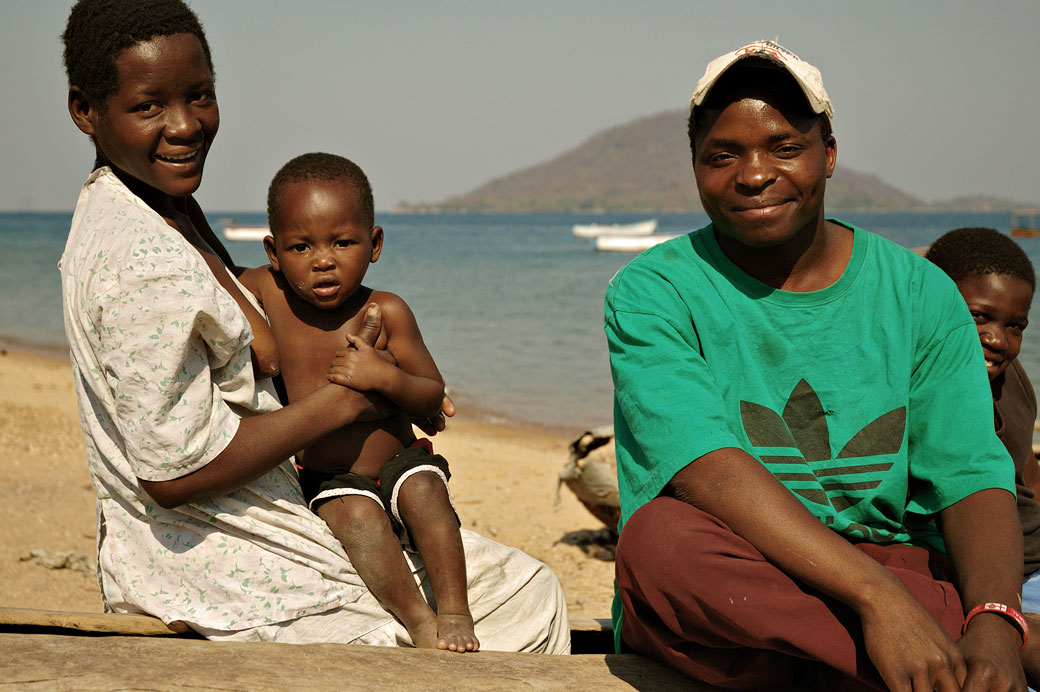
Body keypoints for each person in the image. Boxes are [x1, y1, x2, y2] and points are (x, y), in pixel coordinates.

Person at [59, 0, 568, 653]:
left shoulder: (164, 205)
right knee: (530, 601)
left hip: (268, 523)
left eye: (200, 96)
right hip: (222, 567)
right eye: (148, 107)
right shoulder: (139, 260)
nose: (185, 125)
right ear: (85, 111)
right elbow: (171, 474)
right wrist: (342, 402)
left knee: (506, 581)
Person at [605, 40, 1026, 690]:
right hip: (738, 571)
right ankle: (946, 639)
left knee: (921, 573)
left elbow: (971, 471)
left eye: (783, 147)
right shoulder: (654, 292)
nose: (753, 174)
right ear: (695, 166)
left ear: (828, 154)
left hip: (864, 567)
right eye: (723, 155)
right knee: (657, 542)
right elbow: (707, 473)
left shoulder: (919, 293)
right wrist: (881, 603)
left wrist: (996, 621)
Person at [236, 152, 476, 652]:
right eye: (300, 246)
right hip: (330, 478)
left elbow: (430, 391)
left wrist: (384, 376)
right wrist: (256, 327)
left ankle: (454, 609)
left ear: (375, 244)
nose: (323, 259)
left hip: (399, 461)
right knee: (355, 521)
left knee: (428, 496)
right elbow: (211, 270)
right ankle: (418, 621)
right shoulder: (269, 292)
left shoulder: (386, 310)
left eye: (343, 242)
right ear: (274, 252)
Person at [926, 227, 1040, 686]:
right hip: (993, 574)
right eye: (980, 318)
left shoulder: (1013, 385)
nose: (998, 339)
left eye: (1015, 326)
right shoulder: (921, 393)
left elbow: (1024, 477)